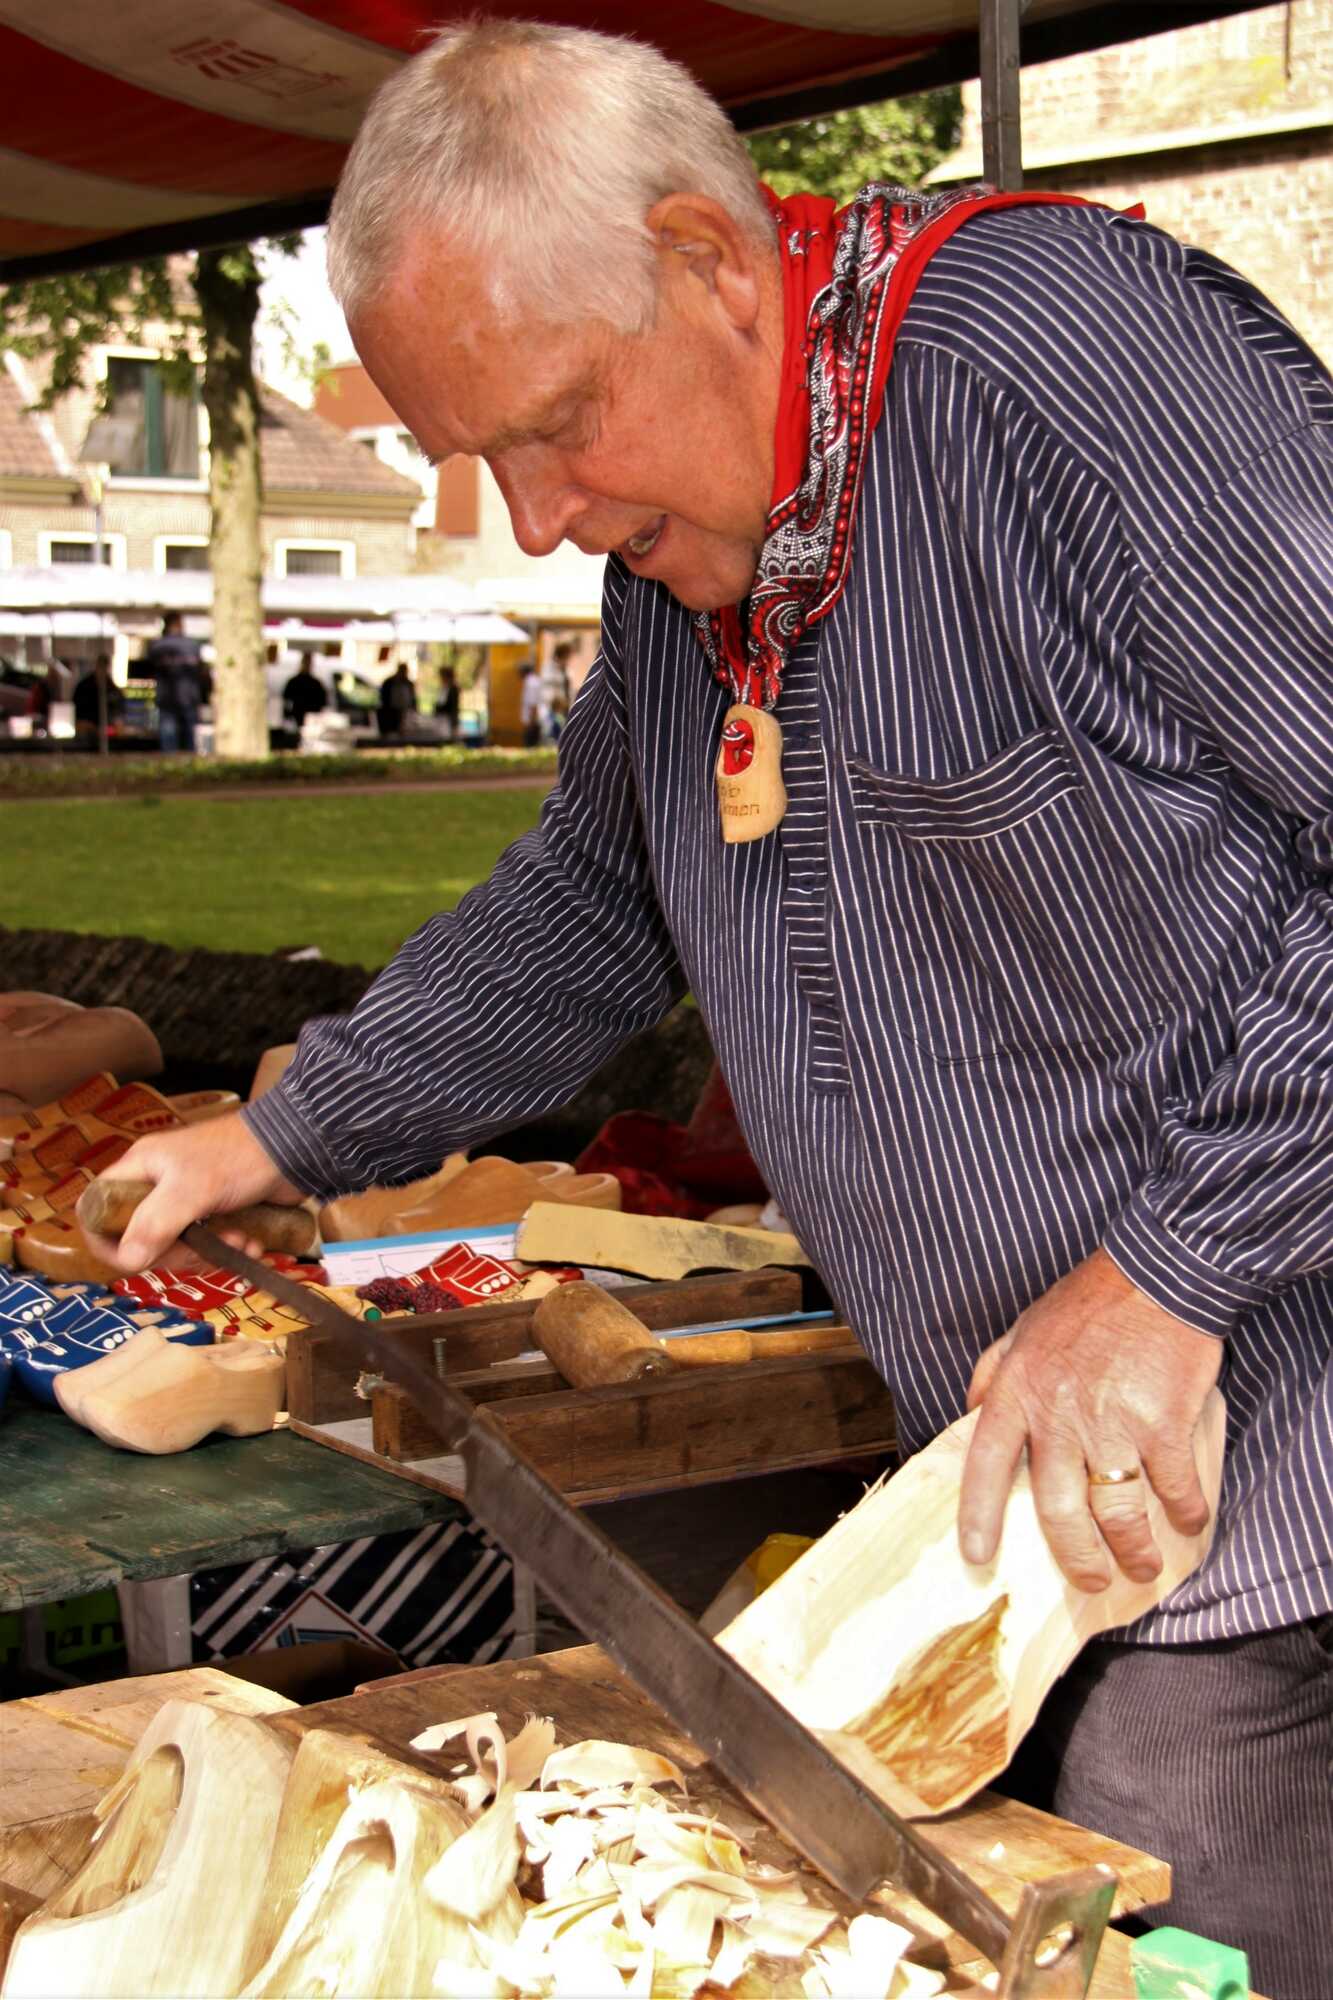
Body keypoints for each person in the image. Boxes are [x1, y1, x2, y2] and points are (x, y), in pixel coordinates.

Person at [83, 23, 1331, 1990]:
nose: (533, 516)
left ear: (713, 261)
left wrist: (1175, 1268)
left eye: (555, 421)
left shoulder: (1054, 367)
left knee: (1174, 1926)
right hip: (1038, 1498)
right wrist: (279, 1130)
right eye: (474, 455)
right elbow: (594, 900)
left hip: (1261, 1474)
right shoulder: (689, 556)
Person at [143, 612, 204, 754]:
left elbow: (149, 666)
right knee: (190, 736)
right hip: (189, 696)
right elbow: (200, 671)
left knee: (168, 735)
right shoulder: (193, 645)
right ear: (179, 624)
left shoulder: (157, 646)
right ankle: (191, 764)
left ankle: (169, 763)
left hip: (166, 697)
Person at [72, 653, 124, 740]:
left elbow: (118, 709)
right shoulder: (84, 687)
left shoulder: (111, 687)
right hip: (86, 732)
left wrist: (116, 723)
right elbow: (78, 714)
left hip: (108, 733)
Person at [282, 656, 328, 731]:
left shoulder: (315, 683)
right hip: (301, 714)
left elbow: (323, 701)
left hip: (308, 715)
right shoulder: (314, 683)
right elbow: (286, 699)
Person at [539, 641, 573, 741]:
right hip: (553, 706)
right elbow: (547, 685)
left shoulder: (566, 669)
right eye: (567, 656)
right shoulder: (549, 666)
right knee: (552, 733)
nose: (568, 659)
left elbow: (569, 686)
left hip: (565, 706)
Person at [377, 658, 416, 738]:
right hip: (390, 712)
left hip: (405, 711)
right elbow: (384, 698)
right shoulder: (388, 683)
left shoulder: (409, 684)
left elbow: (413, 698)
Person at [517, 661, 542, 747]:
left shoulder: (531, 683)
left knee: (530, 745)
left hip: (532, 721)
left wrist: (532, 721)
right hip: (532, 720)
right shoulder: (534, 681)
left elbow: (533, 703)